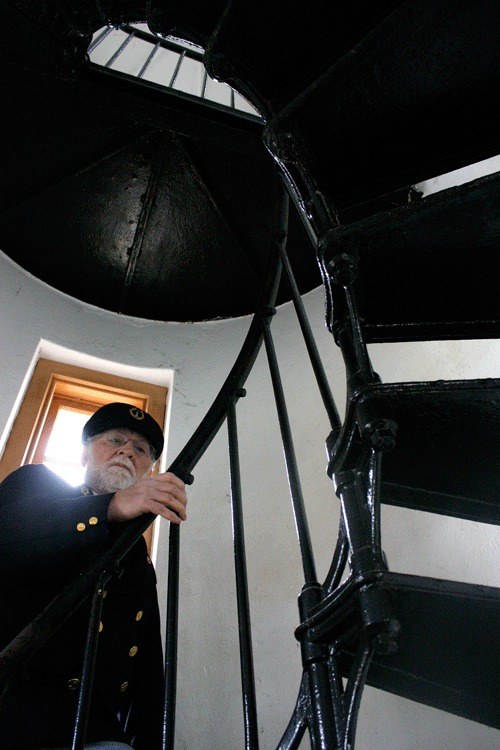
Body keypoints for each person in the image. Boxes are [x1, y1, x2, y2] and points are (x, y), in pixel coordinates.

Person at [0, 402, 188, 749]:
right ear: (84, 454)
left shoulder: (136, 556)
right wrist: (110, 506)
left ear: (148, 468)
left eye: (141, 449)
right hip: (16, 714)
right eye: (115, 439)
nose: (128, 451)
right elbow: (10, 535)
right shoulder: (37, 484)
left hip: (96, 731)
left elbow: (146, 668)